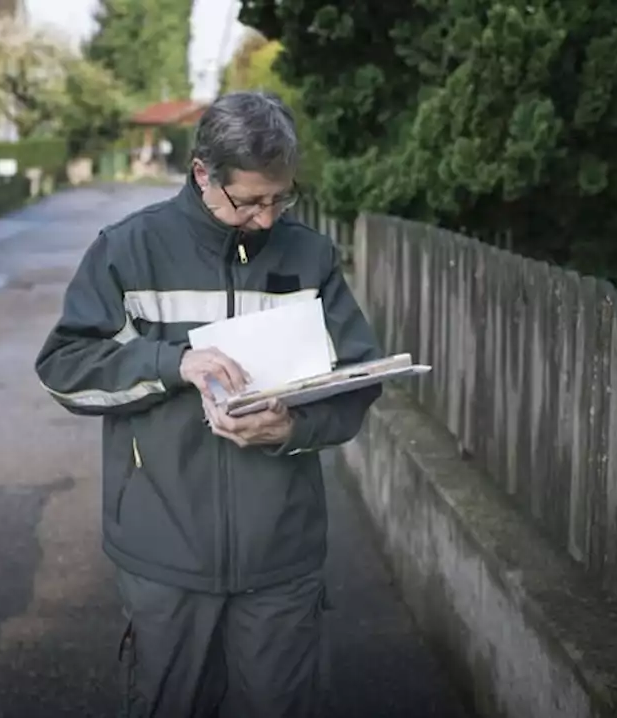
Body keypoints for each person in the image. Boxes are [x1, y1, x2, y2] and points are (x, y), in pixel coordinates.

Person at [34, 91, 383, 717]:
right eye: (248, 201)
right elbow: (65, 369)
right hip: (164, 554)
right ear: (202, 174)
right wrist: (171, 362)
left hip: (282, 557)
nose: (267, 219)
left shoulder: (311, 257)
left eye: (281, 197)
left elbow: (359, 380)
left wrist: (293, 426)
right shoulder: (127, 250)